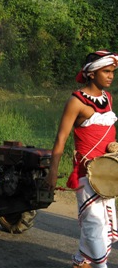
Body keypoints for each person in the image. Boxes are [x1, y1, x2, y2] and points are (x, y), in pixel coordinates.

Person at [46, 50, 118, 268]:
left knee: (103, 225)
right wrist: (52, 172)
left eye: (112, 72)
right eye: (106, 71)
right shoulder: (75, 102)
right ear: (91, 73)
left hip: (108, 175)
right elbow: (61, 139)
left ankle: (81, 260)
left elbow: (106, 132)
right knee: (94, 223)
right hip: (86, 174)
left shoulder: (108, 98)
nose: (111, 76)